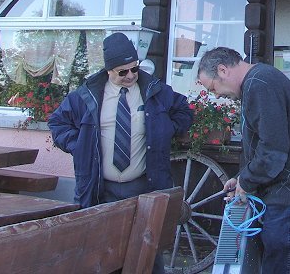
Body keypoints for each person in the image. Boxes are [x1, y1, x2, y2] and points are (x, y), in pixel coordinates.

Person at [49, 32, 193, 274]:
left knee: (149, 254)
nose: (130, 76)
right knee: (102, 254)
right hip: (100, 189)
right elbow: (58, 123)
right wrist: (80, 146)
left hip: (144, 187)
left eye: (134, 69)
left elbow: (184, 111)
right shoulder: (86, 96)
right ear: (108, 70)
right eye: (122, 72)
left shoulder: (155, 91)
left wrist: (167, 130)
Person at [197, 47, 290, 274]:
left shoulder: (259, 85)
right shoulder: (260, 80)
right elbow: (267, 145)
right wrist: (242, 178)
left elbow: (273, 153)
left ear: (222, 70)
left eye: (213, 88)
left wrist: (247, 181)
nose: (216, 95)